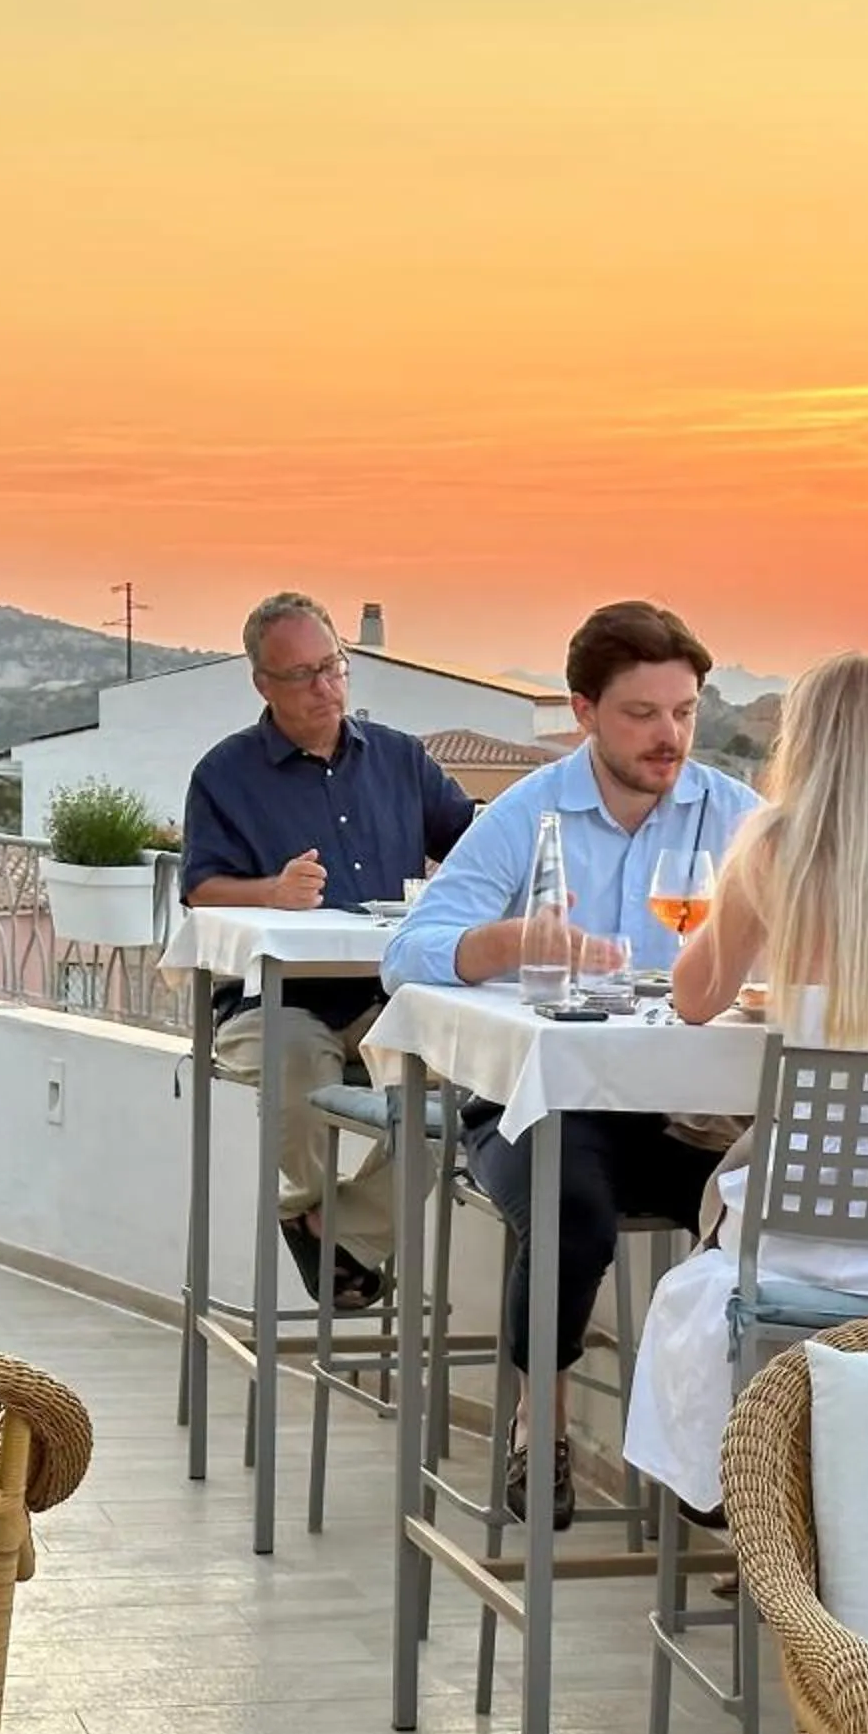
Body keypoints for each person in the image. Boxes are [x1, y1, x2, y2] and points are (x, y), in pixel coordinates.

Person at [384, 601, 761, 1525]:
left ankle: (729, 1454)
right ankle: (538, 1424)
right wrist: (508, 941)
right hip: (541, 1103)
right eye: (642, 714)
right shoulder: (530, 811)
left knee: (773, 1207)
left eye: (684, 712)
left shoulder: (737, 817)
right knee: (570, 1207)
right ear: (585, 712)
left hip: (690, 1114)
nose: (669, 736)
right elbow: (408, 951)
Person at [620, 652, 868, 1518]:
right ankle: (834, 1492)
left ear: (807, 741)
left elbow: (695, 998)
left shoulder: (775, 847)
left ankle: (752, 1485)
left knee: (714, 1236)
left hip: (822, 1240)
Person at [180, 591, 478, 1310]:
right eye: (302, 675)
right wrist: (272, 891)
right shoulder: (224, 774)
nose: (324, 687)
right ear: (263, 684)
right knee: (294, 1064)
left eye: (333, 667)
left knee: (465, 1088)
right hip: (271, 999)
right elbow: (200, 889)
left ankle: (336, 1232)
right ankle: (316, 1211)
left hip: (386, 997)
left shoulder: (401, 759)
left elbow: (475, 851)